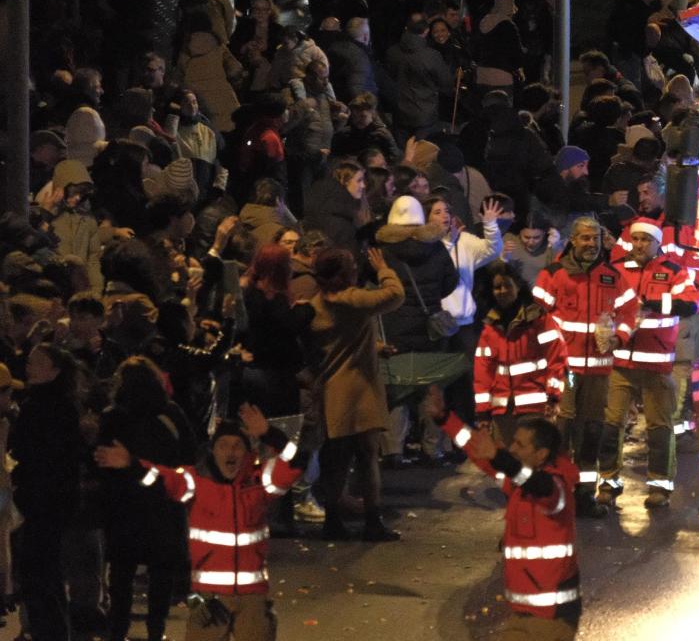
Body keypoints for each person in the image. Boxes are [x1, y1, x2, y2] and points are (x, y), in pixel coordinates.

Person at [95, 403, 306, 641]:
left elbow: (297, 463)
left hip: (253, 598)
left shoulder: (260, 481)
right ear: (212, 450)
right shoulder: (196, 480)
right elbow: (161, 479)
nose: (230, 452)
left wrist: (269, 433)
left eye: (237, 446)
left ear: (248, 453)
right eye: (223, 445)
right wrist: (132, 465)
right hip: (206, 597)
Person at [425, 387, 581, 639]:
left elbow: (536, 484)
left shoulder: (556, 487)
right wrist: (445, 418)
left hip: (551, 618)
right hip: (524, 612)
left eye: (520, 444)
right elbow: (477, 449)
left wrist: (499, 456)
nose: (513, 448)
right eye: (512, 443)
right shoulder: (517, 481)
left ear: (540, 455)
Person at [304, 247, 406, 541]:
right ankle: (373, 521)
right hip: (360, 390)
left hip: (332, 391)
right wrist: (384, 268)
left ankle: (332, 520)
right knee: (367, 457)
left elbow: (338, 341)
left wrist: (374, 347)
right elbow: (394, 295)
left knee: (335, 459)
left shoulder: (317, 304)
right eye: (350, 265)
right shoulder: (352, 298)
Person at [597, 221, 699, 509]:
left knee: (659, 429)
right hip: (619, 363)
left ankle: (660, 487)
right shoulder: (616, 270)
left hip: (657, 365)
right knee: (611, 424)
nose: (639, 244)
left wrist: (652, 303)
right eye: (635, 239)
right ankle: (607, 483)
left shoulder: (674, 271)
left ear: (656, 243)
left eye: (645, 240)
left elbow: (691, 303)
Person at [534, 215, 625, 514]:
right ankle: (556, 493)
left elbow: (631, 311)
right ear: (573, 240)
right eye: (585, 238)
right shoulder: (553, 275)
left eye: (595, 239)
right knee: (563, 428)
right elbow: (536, 318)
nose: (591, 244)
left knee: (591, 432)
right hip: (566, 371)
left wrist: (619, 338)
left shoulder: (611, 276)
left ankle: (585, 494)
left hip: (598, 371)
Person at [12, 344, 84, 641]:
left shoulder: (48, 407)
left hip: (44, 501)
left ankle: (49, 632)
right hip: (48, 500)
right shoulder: (50, 404)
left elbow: (42, 455)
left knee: (40, 572)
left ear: (54, 371)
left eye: (37, 362)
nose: (29, 366)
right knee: (45, 571)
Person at [473, 261, 567, 443]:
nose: (502, 291)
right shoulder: (490, 327)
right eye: (497, 287)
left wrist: (553, 396)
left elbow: (557, 358)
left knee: (532, 465)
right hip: (502, 411)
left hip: (535, 408)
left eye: (507, 285)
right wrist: (483, 412)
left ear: (518, 286)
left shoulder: (539, 320)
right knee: (507, 466)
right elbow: (483, 373)